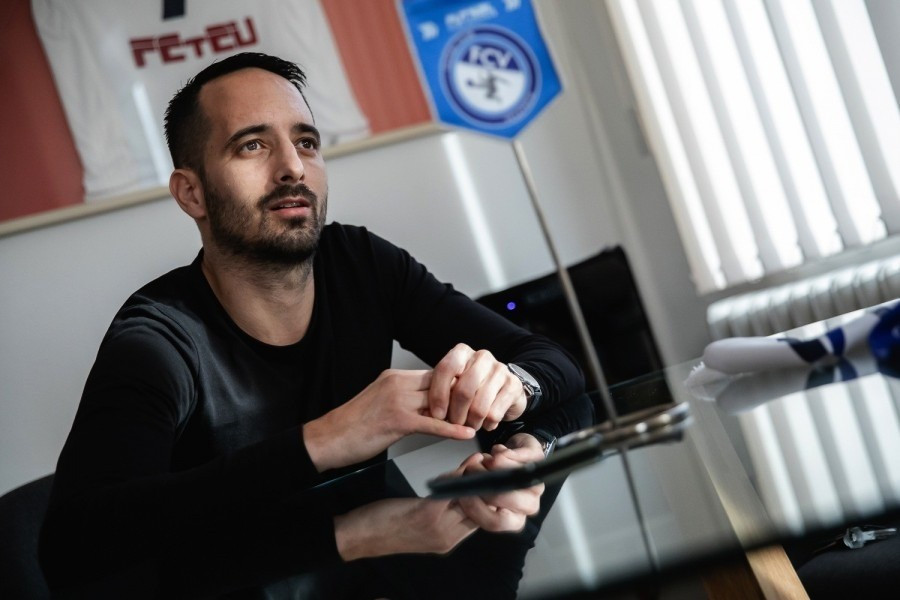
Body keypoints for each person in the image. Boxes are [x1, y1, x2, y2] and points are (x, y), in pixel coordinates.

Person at [39, 52, 586, 596]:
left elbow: (552, 364)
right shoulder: (156, 342)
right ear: (192, 193)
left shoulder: (359, 262)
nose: (293, 168)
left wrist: (518, 408)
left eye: (305, 142)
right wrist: (331, 444)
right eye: (252, 145)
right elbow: (74, 547)